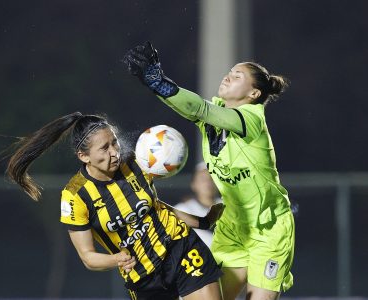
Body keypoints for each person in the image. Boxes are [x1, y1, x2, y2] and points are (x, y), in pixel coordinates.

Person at [123, 42, 295, 300]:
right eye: (230, 72)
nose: (228, 76)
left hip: (269, 230)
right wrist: (154, 85)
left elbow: (198, 108)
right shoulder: (213, 115)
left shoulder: (251, 119)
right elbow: (188, 107)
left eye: (238, 76)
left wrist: (160, 82)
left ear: (254, 94)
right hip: (233, 227)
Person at [5, 112, 224, 300]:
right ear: (84, 156)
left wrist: (202, 222)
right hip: (143, 276)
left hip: (180, 247)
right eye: (104, 148)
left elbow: (155, 207)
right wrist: (115, 259)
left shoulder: (135, 162)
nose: (114, 152)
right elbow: (88, 257)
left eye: (114, 142)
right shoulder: (75, 196)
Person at [175, 161, 222, 248]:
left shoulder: (230, 208)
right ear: (194, 184)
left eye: (211, 178)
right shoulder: (182, 209)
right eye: (203, 179)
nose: (208, 183)